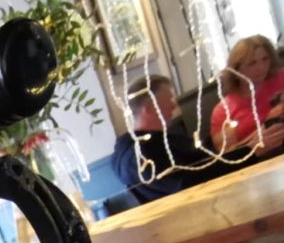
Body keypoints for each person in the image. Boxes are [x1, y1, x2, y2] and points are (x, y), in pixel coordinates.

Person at [112, 74, 284, 204]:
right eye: (169, 99)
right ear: (149, 108)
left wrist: (247, 144)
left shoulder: (141, 146)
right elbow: (190, 182)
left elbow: (197, 162)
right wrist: (250, 152)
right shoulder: (142, 153)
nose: (173, 105)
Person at [211, 35, 284, 152]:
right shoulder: (223, 111)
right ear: (236, 68)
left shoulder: (281, 77)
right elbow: (228, 155)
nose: (261, 67)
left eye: (265, 59)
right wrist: (266, 124)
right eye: (252, 63)